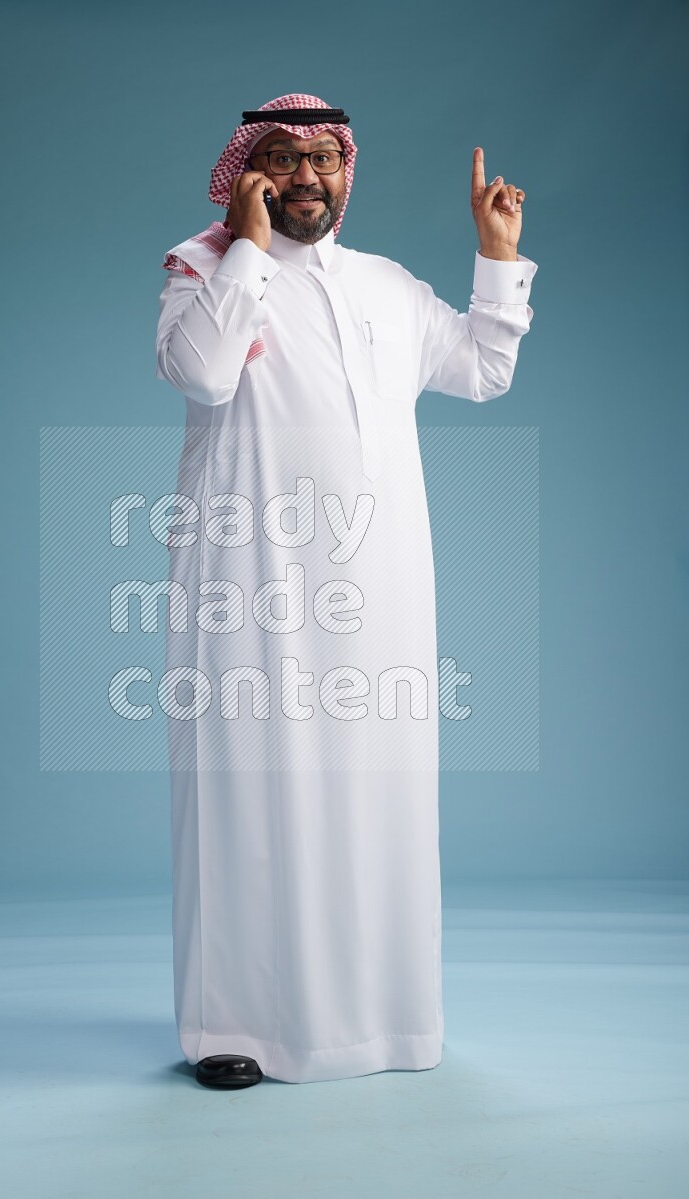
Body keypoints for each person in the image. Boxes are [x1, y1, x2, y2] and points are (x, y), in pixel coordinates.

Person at [154, 93, 538, 1089]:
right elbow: (199, 373)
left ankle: (385, 1021)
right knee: (248, 802)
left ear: (347, 171)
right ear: (246, 173)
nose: (306, 176)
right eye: (281, 157)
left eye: (324, 157)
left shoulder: (387, 288)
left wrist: (493, 255)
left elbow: (482, 369)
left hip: (378, 594)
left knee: (377, 798)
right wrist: (240, 249)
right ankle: (231, 1027)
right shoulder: (202, 273)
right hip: (250, 589)